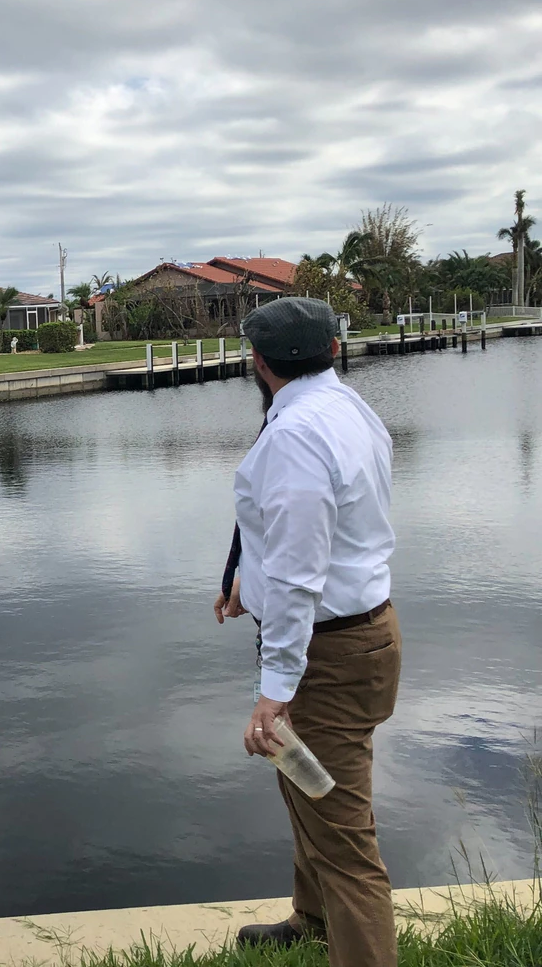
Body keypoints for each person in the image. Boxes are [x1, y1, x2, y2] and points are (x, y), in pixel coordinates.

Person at [212, 297, 402, 967]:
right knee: (306, 784)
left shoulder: (294, 435)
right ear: (332, 350)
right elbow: (316, 536)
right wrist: (245, 585)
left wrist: (275, 690)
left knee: (346, 840)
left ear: (258, 361)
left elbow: (299, 575)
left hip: (328, 651)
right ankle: (311, 919)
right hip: (362, 633)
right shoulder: (348, 408)